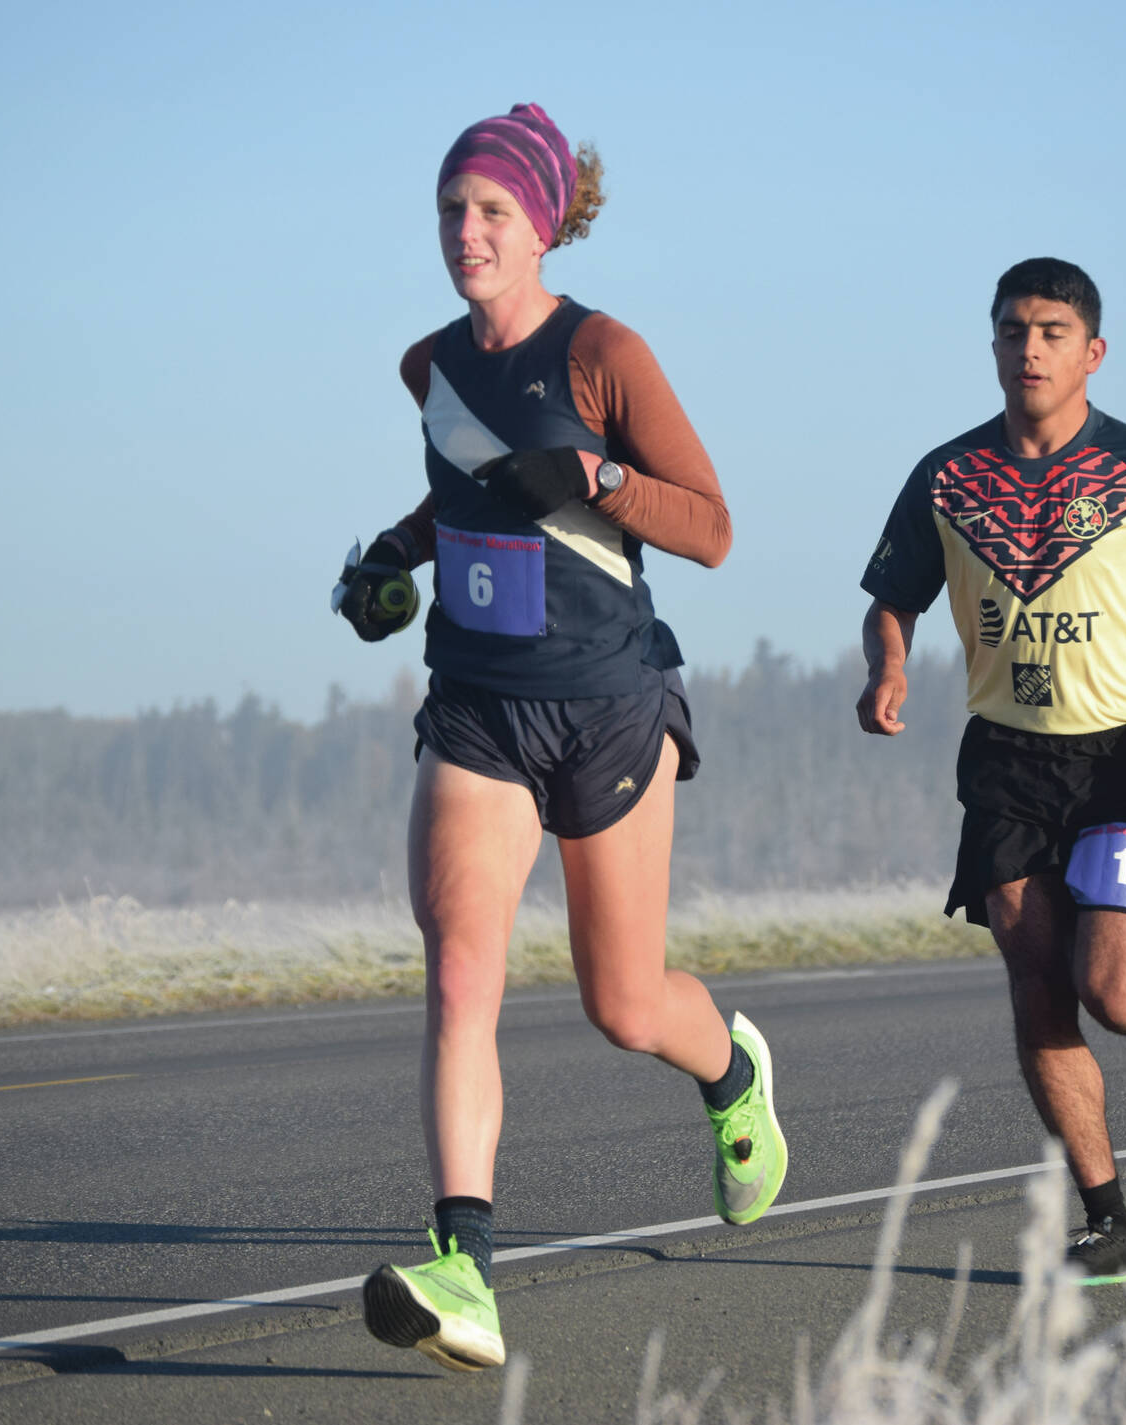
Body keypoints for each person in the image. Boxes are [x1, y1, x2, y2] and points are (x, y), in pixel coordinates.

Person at [334, 102, 786, 1372]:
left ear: (542, 224)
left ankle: (731, 1073)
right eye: (449, 212)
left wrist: (593, 481)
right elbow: (455, 488)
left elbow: (707, 527)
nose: (464, 234)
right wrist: (391, 557)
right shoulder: (430, 367)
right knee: (460, 971)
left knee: (622, 1001)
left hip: (607, 700)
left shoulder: (605, 355)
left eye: (489, 213)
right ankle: (462, 1266)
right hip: (477, 704)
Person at [855, 257, 1126, 1285]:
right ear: (991, 345)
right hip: (1005, 762)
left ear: (1091, 351)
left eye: (1047, 331)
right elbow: (890, 597)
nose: (1026, 349)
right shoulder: (945, 476)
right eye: (1009, 331)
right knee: (1037, 986)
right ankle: (1104, 1217)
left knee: (1111, 992)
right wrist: (890, 667)